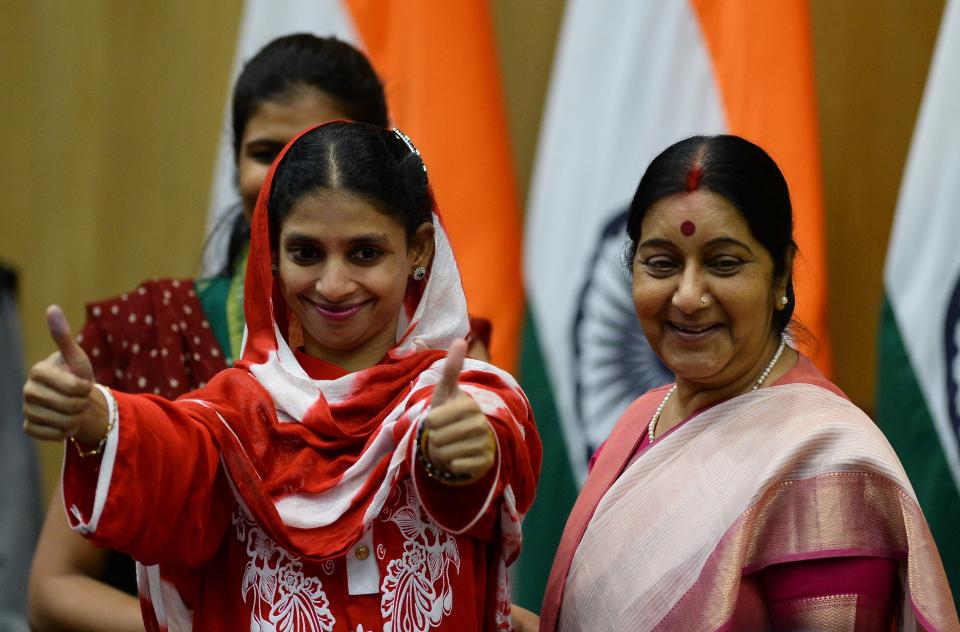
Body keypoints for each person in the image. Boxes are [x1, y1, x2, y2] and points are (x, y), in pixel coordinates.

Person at [23, 121, 540, 630]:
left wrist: (454, 456)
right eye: (306, 253)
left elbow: (484, 454)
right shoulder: (231, 417)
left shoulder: (474, 397)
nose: (334, 284)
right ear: (272, 255)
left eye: (365, 253)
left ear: (419, 249)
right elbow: (173, 456)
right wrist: (96, 419)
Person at [27, 34, 390, 631]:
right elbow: (53, 589)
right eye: (265, 151)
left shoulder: (439, 357)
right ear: (235, 159)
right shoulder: (151, 330)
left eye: (315, 151)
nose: (286, 177)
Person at [533, 135, 959, 631]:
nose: (688, 297)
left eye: (724, 263)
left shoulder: (825, 463)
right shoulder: (639, 422)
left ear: (780, 279)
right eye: (662, 264)